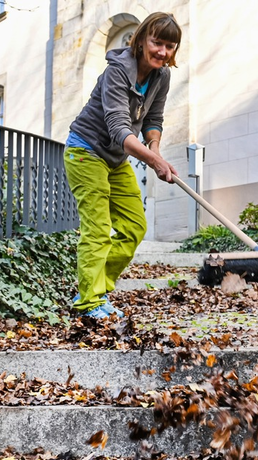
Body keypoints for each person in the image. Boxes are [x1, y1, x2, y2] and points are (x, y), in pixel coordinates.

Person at [64, 12, 181, 319]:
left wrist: (155, 148)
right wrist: (154, 161)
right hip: (85, 151)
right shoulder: (117, 71)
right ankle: (88, 302)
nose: (162, 52)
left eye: (170, 46)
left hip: (114, 159)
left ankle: (93, 290)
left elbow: (153, 120)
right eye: (157, 43)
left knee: (134, 227)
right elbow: (118, 127)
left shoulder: (161, 76)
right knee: (98, 229)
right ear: (141, 39)